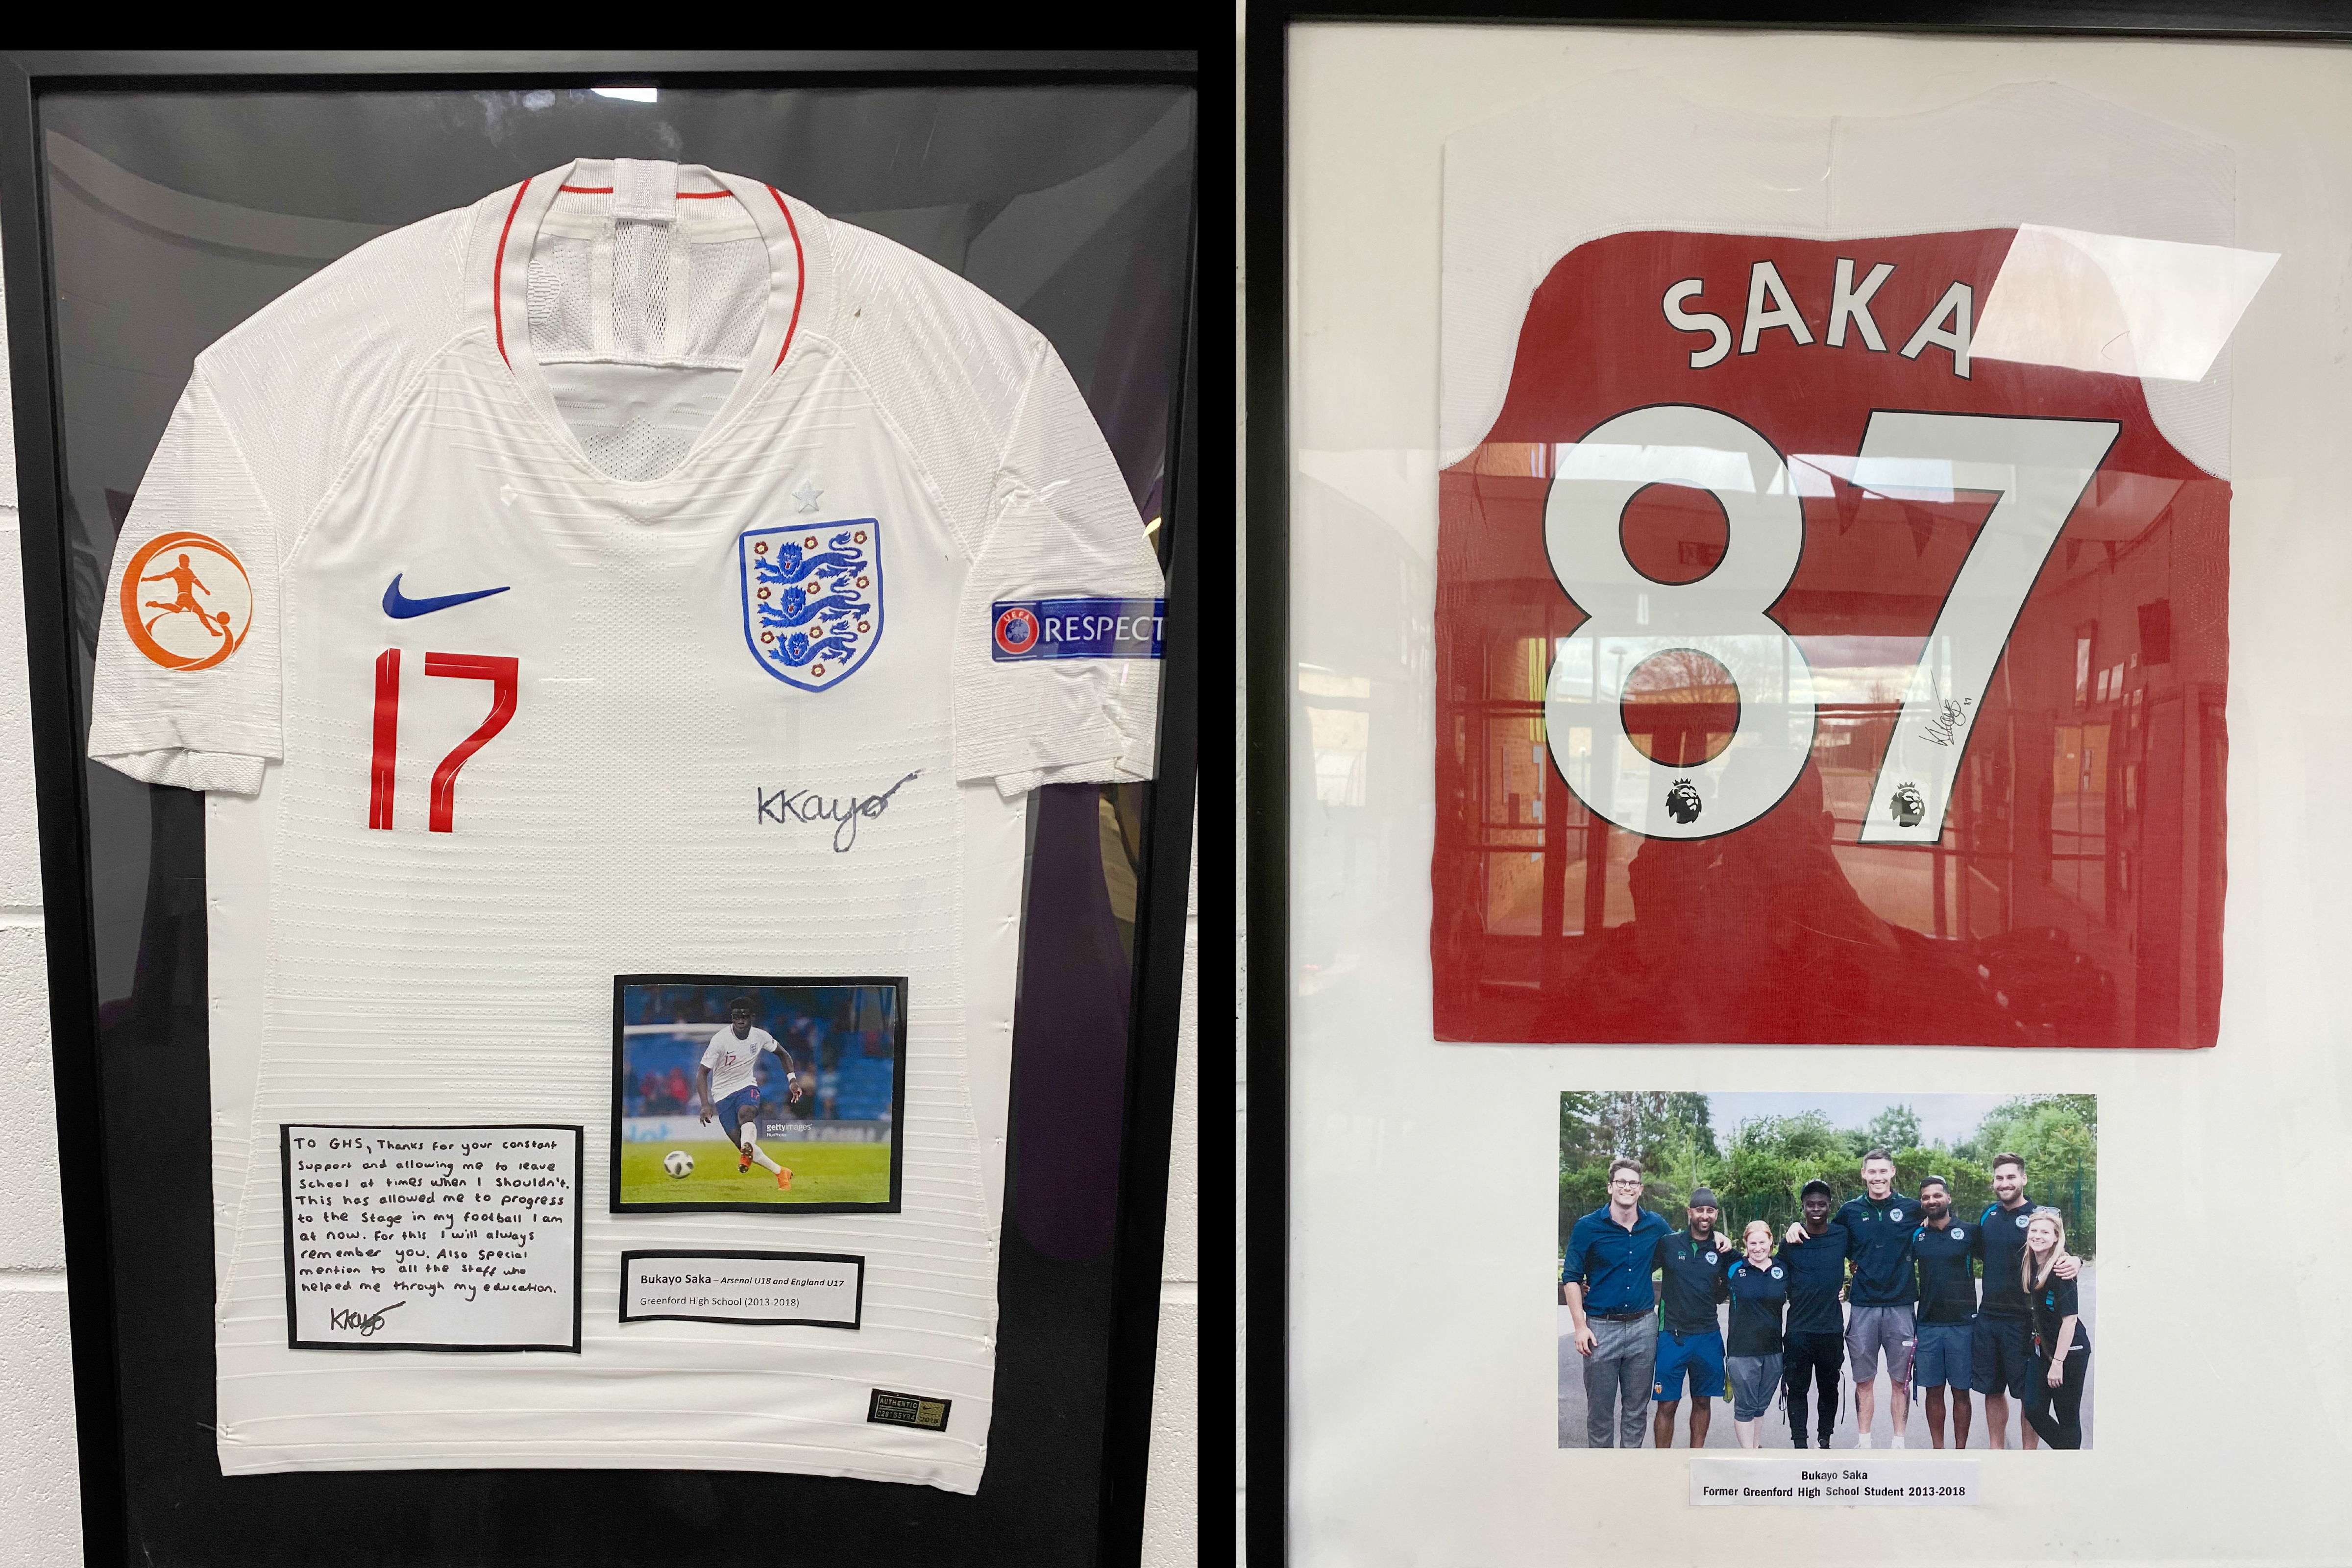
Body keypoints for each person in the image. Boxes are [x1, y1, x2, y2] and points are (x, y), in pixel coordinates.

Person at [1789, 1149, 1916, 1447]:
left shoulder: (1912, 1209)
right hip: (1863, 1306)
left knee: (1901, 1381)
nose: (1878, 1177)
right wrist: (1795, 1226)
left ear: (1892, 1172)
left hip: (1900, 1304)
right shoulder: (1849, 1212)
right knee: (1864, 1380)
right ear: (1864, 1174)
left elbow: (1935, 1227)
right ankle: (1865, 1441)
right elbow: (1823, 1234)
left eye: (1883, 1171)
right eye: (1872, 1172)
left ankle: (1899, 1443)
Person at [1968, 1152, 2077, 1448]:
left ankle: (2027, 1456)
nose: (2005, 1183)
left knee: (2027, 1395)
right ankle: (1997, 1450)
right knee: (1992, 1390)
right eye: (2000, 1178)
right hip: (1989, 1318)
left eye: (2011, 1177)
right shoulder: (1988, 1215)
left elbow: (2061, 1246)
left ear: (2023, 1179)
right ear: (1994, 1182)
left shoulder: (2037, 1217)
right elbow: (1976, 1250)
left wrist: (2076, 1260)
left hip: (2025, 1322)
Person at [1562, 1158, 1669, 1447]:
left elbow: (1683, 1250)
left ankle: (1629, 1476)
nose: (1627, 1187)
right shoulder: (1588, 1227)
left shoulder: (1656, 1225)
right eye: (1621, 1182)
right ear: (1611, 1187)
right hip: (1600, 1330)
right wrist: (1580, 1326)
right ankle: (1601, 1479)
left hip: (1643, 1329)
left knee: (1637, 1412)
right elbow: (1571, 1278)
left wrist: (1718, 1237)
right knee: (1600, 1414)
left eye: (1632, 1183)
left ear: (1640, 1189)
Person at [1651, 1186, 1735, 1448]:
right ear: (1690, 1212)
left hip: (1708, 1336)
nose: (1705, 1215)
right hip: (1671, 1335)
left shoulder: (1722, 1249)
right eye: (1700, 1210)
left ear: (1716, 1215)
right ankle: (1662, 1462)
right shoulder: (1668, 1243)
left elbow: (1749, 1271)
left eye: (1710, 1211)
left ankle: (1694, 1457)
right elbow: (1637, 1270)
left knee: (1702, 1401)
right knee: (1668, 1403)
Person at [698, 995, 803, 1189]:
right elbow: (702, 1072)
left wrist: (793, 1081)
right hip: (722, 1094)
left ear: (752, 1017)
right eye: (736, 1016)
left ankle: (748, 1149)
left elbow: (783, 1054)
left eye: (744, 1016)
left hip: (747, 1086)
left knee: (747, 1114)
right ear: (732, 1017)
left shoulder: (760, 1036)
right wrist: (705, 1104)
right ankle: (781, 1172)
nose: (740, 1020)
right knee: (744, 1147)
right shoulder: (720, 1040)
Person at [1777, 1177, 1848, 1448]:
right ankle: (1799, 1443)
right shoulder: (1791, 1241)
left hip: (1831, 1329)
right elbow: (1776, 1276)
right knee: (1798, 1389)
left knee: (1829, 1388)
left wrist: (1847, 1286)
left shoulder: (1841, 1235)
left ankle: (1825, 1438)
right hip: (1799, 1330)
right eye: (1810, 1204)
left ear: (1829, 1206)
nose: (1816, 1208)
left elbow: (1864, 1257)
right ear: (1803, 1207)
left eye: (1821, 1204)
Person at [1910, 1176, 1976, 1449]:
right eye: (1926, 1197)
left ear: (1948, 1199)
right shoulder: (1917, 1235)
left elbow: (2005, 1256)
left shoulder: (1971, 1232)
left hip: (1963, 1325)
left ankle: (1960, 1451)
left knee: (1961, 1392)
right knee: (1933, 1391)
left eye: (1937, 1196)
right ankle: (1939, 1451)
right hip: (1928, 1325)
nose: (1931, 1201)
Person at [2020, 1208, 2090, 1449]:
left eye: (2045, 1232)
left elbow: (2070, 1321)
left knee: (2067, 1416)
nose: (2038, 1236)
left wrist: (2058, 1363)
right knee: (2033, 1409)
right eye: (2034, 1230)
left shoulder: (2062, 1269)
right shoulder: (2032, 1262)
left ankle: (2070, 1460)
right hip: (2043, 1350)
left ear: (2057, 1237)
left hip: (2069, 1352)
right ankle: (2067, 1452)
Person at [1723, 1221, 1789, 1448]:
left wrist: (1837, 1293)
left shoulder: (1782, 1269)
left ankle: (1756, 1448)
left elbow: (1807, 1290)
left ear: (1771, 1242)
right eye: (1753, 1243)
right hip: (1742, 1352)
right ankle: (1747, 1454)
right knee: (1745, 1407)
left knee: (1761, 1406)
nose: (1758, 1248)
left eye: (1763, 1242)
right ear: (1745, 1244)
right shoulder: (1734, 1269)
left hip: (1773, 1350)